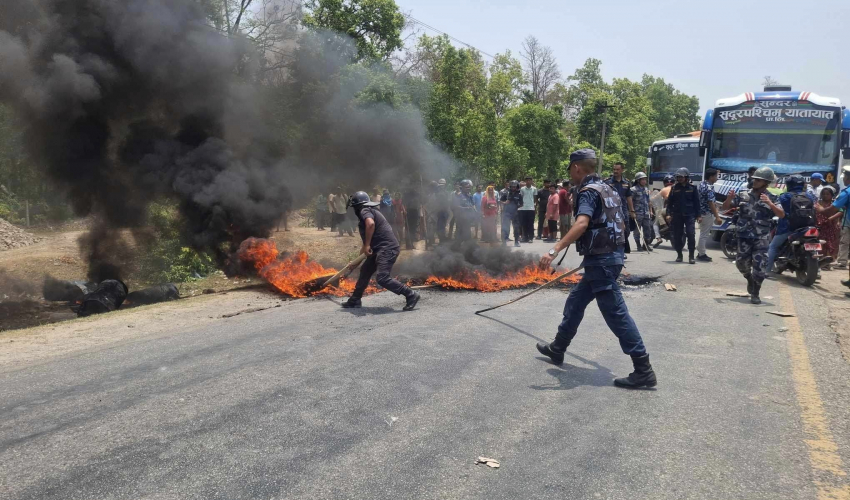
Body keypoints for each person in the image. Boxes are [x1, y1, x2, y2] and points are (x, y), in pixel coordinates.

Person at [536, 148, 656, 389]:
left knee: (616, 314)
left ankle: (643, 369)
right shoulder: (609, 188)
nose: (570, 174)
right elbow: (619, 221)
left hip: (602, 262)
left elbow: (582, 223)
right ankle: (558, 347)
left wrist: (554, 249)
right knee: (576, 301)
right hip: (607, 258)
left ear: (577, 167)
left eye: (570, 169)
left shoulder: (589, 192)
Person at [341, 192, 420, 311]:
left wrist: (368, 245)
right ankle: (355, 299)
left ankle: (411, 294)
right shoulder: (370, 211)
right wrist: (355, 263)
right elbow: (365, 247)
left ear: (357, 205)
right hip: (378, 249)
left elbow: (371, 225)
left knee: (382, 278)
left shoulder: (365, 210)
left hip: (387, 248)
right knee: (365, 271)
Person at [721, 167, 785, 304]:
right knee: (741, 263)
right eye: (754, 179)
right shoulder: (743, 194)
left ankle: (755, 292)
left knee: (760, 266)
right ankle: (749, 278)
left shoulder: (772, 197)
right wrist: (729, 199)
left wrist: (770, 204)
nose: (754, 181)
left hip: (761, 237)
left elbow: (781, 214)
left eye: (758, 180)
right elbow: (724, 208)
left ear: (766, 182)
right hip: (744, 235)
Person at [766, 174, 817, 273]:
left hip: (787, 227)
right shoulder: (809, 196)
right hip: (807, 226)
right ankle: (817, 271)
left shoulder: (784, 196)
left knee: (773, 246)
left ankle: (766, 271)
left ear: (789, 184)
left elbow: (778, 210)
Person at [814, 166, 850, 295]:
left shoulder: (847, 192)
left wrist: (821, 210)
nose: (844, 179)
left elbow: (832, 209)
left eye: (845, 177)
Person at [666, 168, 700, 264]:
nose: (679, 178)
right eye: (678, 177)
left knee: (691, 234)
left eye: (681, 177)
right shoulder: (674, 188)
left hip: (690, 215)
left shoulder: (693, 188)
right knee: (677, 235)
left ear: (686, 177)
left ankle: (691, 256)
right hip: (677, 215)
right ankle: (679, 254)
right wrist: (668, 214)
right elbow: (669, 203)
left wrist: (699, 215)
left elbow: (697, 203)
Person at [605, 163, 634, 255]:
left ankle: (621, 248)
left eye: (617, 169)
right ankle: (617, 250)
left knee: (626, 230)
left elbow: (629, 197)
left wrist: (632, 210)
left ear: (622, 170)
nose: (615, 171)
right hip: (611, 210)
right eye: (614, 169)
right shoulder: (607, 182)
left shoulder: (626, 183)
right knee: (612, 230)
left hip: (623, 210)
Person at [696, 169, 723, 261]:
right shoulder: (709, 187)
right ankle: (701, 254)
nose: (717, 178)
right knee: (704, 234)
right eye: (716, 176)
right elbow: (710, 202)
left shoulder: (701, 184)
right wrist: (717, 216)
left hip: (701, 212)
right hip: (707, 213)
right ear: (711, 177)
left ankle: (700, 250)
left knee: (703, 233)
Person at [817, 186, 840, 266]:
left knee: (830, 244)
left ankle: (829, 261)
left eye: (827, 194)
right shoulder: (818, 203)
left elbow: (841, 211)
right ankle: (821, 260)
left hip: (831, 226)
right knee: (821, 242)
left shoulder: (835, 203)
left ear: (831, 195)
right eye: (823, 194)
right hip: (820, 226)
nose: (825, 196)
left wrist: (832, 218)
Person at [630, 172, 654, 252]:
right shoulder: (633, 190)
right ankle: (638, 245)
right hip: (637, 213)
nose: (644, 181)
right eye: (642, 179)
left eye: (645, 179)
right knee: (637, 231)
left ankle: (646, 244)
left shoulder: (646, 189)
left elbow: (649, 201)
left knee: (648, 230)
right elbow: (630, 201)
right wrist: (632, 212)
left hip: (646, 213)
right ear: (638, 180)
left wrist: (650, 211)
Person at [651, 174, 675, 247]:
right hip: (679, 210)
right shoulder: (677, 188)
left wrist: (650, 195)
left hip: (670, 210)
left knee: (656, 219)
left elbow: (654, 199)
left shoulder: (664, 190)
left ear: (664, 182)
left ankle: (663, 228)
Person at [501, 180, 523, 247]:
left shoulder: (519, 194)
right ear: (510, 186)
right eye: (512, 187)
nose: (513, 188)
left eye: (514, 187)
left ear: (517, 187)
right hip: (506, 213)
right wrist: (505, 203)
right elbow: (501, 200)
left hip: (515, 213)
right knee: (505, 227)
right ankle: (504, 242)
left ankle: (516, 242)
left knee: (516, 228)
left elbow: (521, 204)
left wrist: (517, 205)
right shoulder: (506, 193)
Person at [519, 176, 537, 242]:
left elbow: (535, 199)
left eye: (529, 180)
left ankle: (531, 238)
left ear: (531, 181)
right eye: (527, 180)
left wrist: (535, 208)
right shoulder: (522, 189)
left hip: (531, 208)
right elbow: (521, 198)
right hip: (523, 208)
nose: (528, 181)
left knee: (530, 224)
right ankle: (525, 237)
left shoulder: (534, 189)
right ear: (525, 181)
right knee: (524, 224)